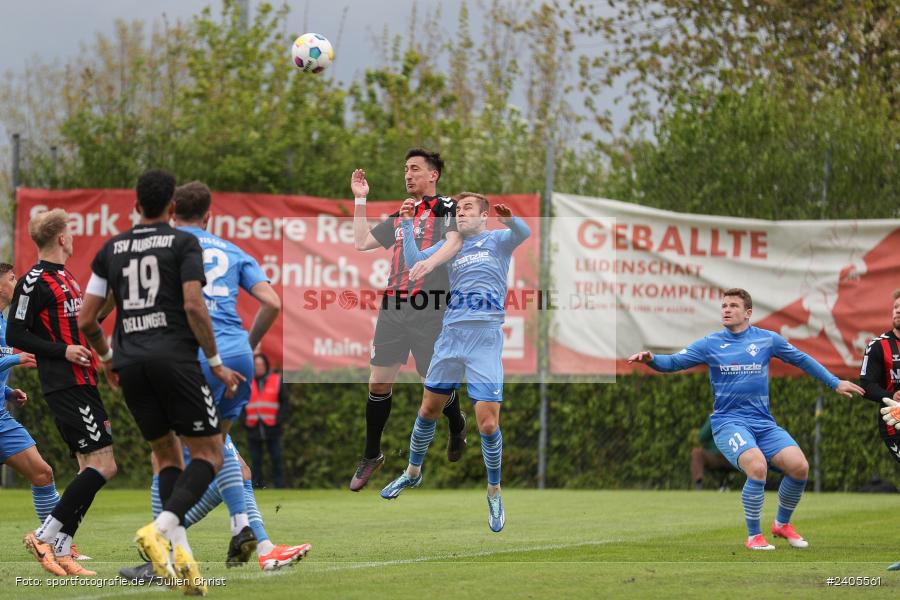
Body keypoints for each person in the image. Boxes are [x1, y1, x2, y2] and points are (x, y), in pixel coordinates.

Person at [117, 181, 309, 583]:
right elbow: (272, 302)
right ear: (210, 215)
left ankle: (161, 555)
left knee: (166, 453)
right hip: (234, 355)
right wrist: (243, 348)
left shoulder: (162, 247)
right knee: (225, 457)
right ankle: (257, 540)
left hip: (187, 355)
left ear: (171, 212)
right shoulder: (232, 249)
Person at [78, 169, 243, 595]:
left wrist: (109, 358)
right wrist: (216, 361)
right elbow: (193, 304)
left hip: (130, 363)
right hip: (174, 358)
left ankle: (181, 563)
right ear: (172, 208)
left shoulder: (111, 249)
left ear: (135, 205)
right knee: (211, 454)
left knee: (167, 457)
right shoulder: (182, 241)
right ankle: (160, 528)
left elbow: (86, 318)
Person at [628, 288, 864, 551]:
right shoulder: (710, 343)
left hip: (763, 423)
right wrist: (652, 359)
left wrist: (834, 383)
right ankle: (754, 536)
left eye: (733, 306)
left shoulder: (767, 340)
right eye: (724, 305)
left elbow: (802, 360)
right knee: (757, 466)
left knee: (800, 467)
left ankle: (781, 524)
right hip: (729, 423)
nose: (726, 310)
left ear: (748, 313)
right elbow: (674, 362)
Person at [380, 193, 530, 533]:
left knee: (488, 424)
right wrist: (405, 223)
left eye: (466, 209)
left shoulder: (497, 240)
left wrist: (510, 220)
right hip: (450, 337)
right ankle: (413, 473)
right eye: (458, 209)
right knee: (428, 409)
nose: (460, 214)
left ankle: (494, 490)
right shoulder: (453, 244)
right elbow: (415, 259)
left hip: (485, 338)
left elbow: (524, 234)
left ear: (483, 215)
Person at [7, 210, 118, 577]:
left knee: (89, 467)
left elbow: (78, 327)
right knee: (105, 465)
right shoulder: (33, 280)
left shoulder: (67, 277)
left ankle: (63, 548)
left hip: (82, 379)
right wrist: (63, 351)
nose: (72, 237)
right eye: (70, 231)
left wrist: (115, 299)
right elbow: (16, 335)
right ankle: (44, 535)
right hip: (65, 382)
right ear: (61, 238)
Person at [349, 149, 466, 491]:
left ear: (434, 175)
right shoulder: (403, 213)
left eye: (415, 168)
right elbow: (360, 242)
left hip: (430, 305)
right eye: (405, 169)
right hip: (394, 305)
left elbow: (455, 242)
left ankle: (456, 422)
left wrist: (430, 264)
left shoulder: (446, 206)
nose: (408, 174)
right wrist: (361, 200)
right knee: (378, 383)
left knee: (433, 385)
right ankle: (372, 454)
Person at [0, 264, 63, 538]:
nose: (18, 283)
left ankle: (57, 544)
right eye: (13, 278)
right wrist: (16, 358)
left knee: (42, 473)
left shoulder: (4, 323)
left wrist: (7, 392)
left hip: (1, 420)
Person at [857, 290, 900, 570]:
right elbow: (865, 384)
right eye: (896, 307)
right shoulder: (878, 345)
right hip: (894, 422)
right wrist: (890, 397)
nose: (898, 311)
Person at [244, 352, 288, 489]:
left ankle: (279, 485)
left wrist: (278, 420)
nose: (259, 367)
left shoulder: (276, 380)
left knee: (276, 458)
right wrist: (244, 420)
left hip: (272, 427)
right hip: (253, 426)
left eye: (261, 364)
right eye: (256, 365)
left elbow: (285, 402)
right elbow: (241, 403)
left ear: (266, 366)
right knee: (255, 460)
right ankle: (257, 486)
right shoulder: (247, 382)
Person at [691, 415, 733, 490]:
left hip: (732, 458)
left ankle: (755, 486)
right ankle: (698, 484)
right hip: (716, 457)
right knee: (697, 452)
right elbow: (701, 437)